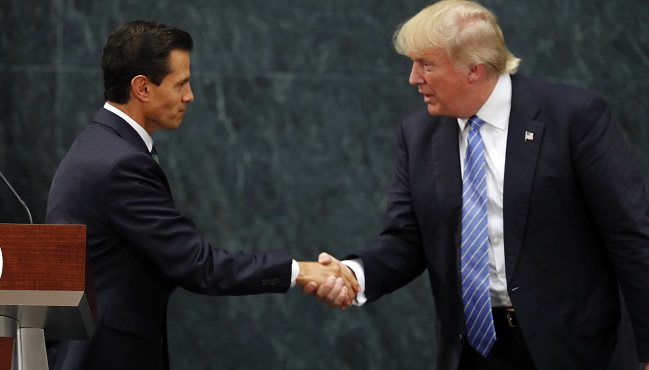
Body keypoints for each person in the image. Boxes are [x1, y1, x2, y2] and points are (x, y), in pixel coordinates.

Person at [307, 1, 649, 369]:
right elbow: (406, 241)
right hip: (472, 352)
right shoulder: (418, 134)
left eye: (427, 64)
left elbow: (631, 239)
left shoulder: (574, 118)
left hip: (573, 349)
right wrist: (353, 274)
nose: (413, 77)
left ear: (474, 69)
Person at [45, 20, 357, 370]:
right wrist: (300, 271)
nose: (190, 96)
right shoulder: (122, 164)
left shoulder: (99, 145)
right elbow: (200, 266)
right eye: (181, 84)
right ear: (142, 88)